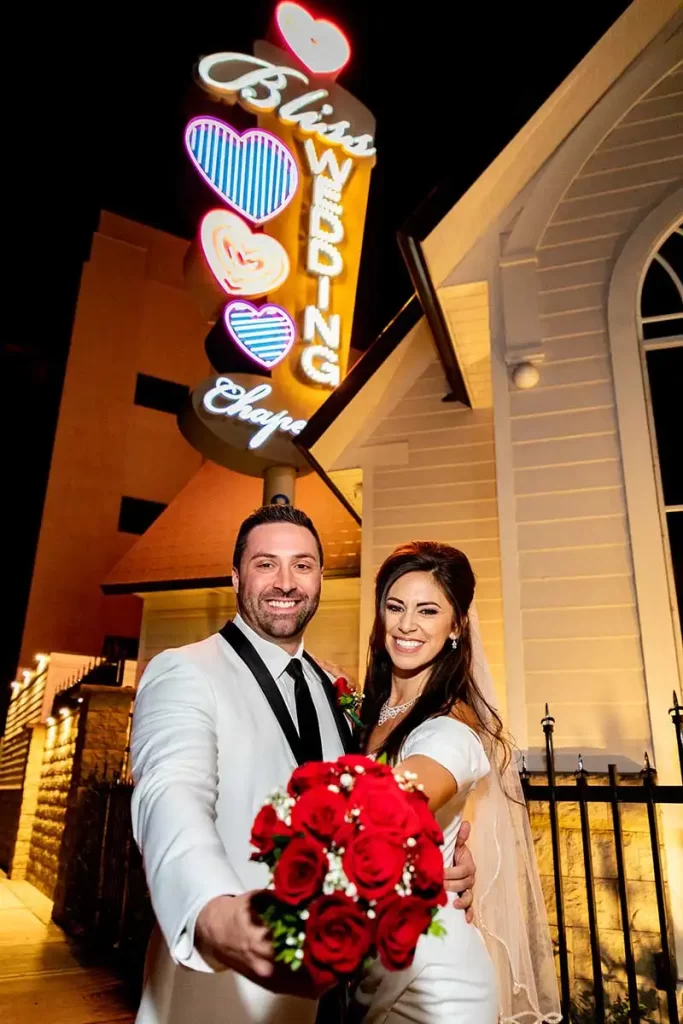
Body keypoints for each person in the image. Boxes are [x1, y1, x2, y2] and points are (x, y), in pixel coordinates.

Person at [130, 506, 477, 1024]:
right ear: (235, 576)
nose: (286, 583)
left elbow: (376, 808)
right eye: (266, 564)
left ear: (321, 580)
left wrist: (426, 870)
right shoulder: (185, 670)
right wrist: (213, 913)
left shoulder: (332, 688)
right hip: (221, 991)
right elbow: (170, 794)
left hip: (333, 992)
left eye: (304, 565)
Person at [354, 541, 561, 1024]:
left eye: (428, 610)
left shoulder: (451, 728)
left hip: (433, 982)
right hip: (374, 964)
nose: (407, 625)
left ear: (457, 626)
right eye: (395, 606)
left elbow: (392, 804)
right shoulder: (374, 711)